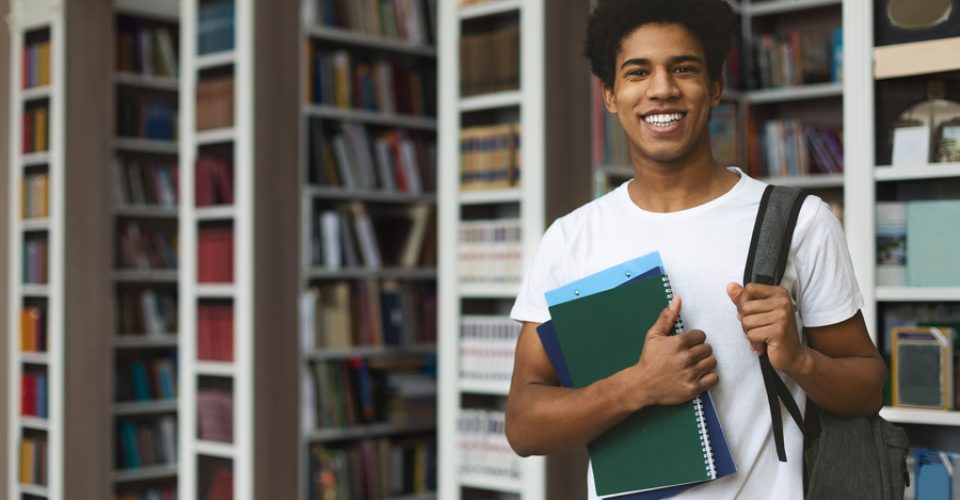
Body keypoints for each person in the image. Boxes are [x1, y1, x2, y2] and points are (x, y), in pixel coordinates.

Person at [504, 0, 888, 498]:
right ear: (611, 95)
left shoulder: (799, 221)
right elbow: (523, 426)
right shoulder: (572, 239)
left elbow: (868, 387)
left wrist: (799, 359)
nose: (662, 88)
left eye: (683, 68)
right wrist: (638, 386)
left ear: (714, 87)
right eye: (637, 72)